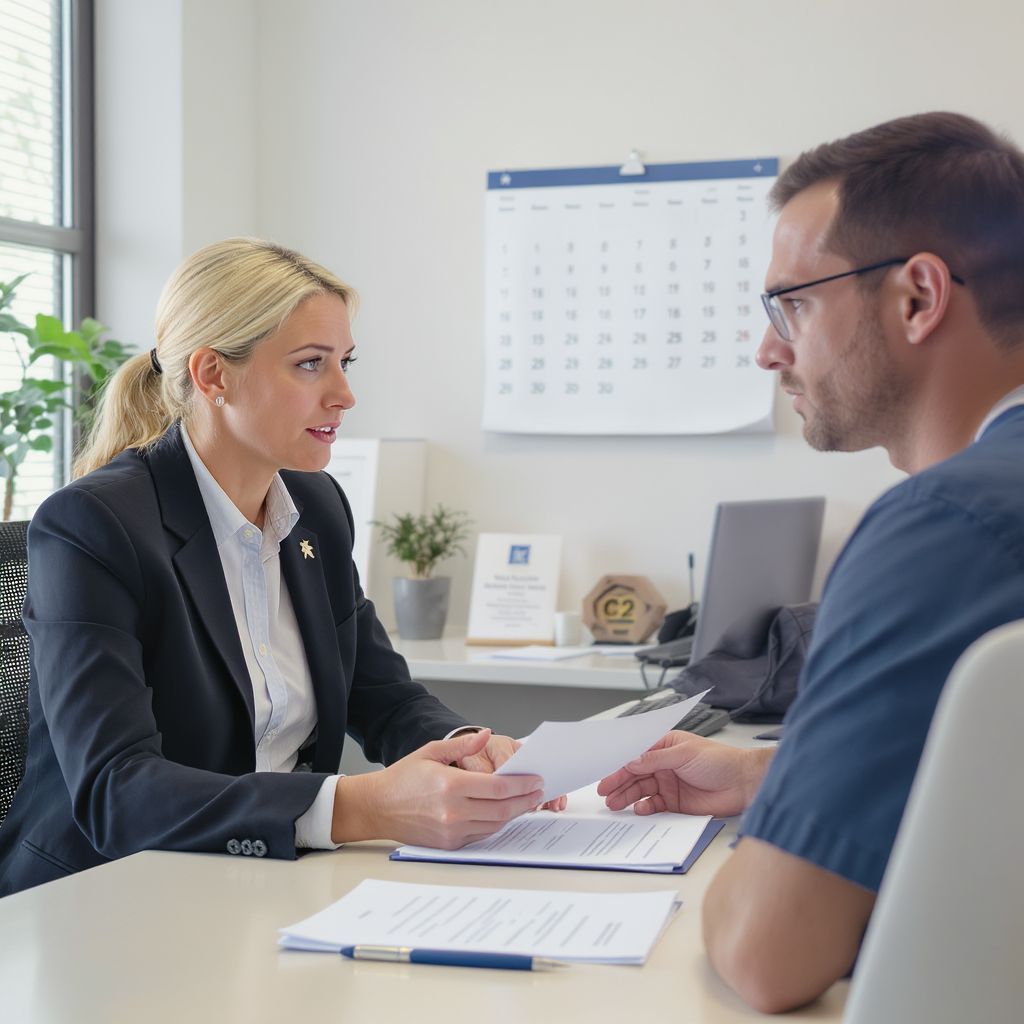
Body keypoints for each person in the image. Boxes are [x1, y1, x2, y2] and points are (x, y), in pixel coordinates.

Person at [598, 111, 1024, 1013]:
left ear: (917, 296)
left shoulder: (944, 526)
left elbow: (768, 955)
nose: (769, 350)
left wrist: (755, 864)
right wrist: (781, 773)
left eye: (792, 302)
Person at [0, 238, 551, 897]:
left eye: (345, 363)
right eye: (311, 365)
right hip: (104, 899)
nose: (345, 395)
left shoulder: (315, 506)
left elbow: (380, 693)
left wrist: (467, 746)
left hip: (258, 881)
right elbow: (118, 792)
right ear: (213, 375)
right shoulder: (92, 526)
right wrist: (360, 805)